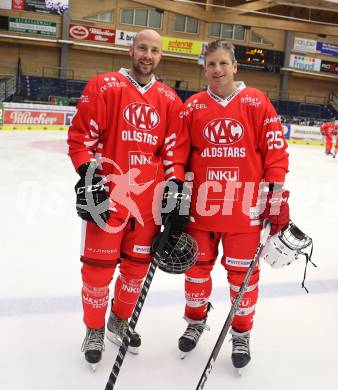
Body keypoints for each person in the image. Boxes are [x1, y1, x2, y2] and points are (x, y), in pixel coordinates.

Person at [67, 29, 188, 369]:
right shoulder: (104, 86)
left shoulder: (169, 99)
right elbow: (80, 140)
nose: (147, 55)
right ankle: (93, 329)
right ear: (131, 49)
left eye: (154, 50)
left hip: (147, 208)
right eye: (142, 48)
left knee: (135, 273)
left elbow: (173, 153)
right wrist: (89, 177)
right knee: (96, 273)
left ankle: (118, 321)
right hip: (109, 201)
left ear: (160, 56)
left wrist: (175, 187)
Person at [175, 40, 290, 370]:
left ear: (235, 67)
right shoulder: (193, 107)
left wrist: (276, 197)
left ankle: (241, 333)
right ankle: (195, 321)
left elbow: (275, 152)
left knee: (243, 278)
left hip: (244, 211)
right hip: (202, 210)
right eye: (211, 64)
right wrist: (177, 196)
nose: (217, 69)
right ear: (204, 69)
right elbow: (180, 155)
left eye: (223, 63)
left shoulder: (256, 101)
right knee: (195, 272)